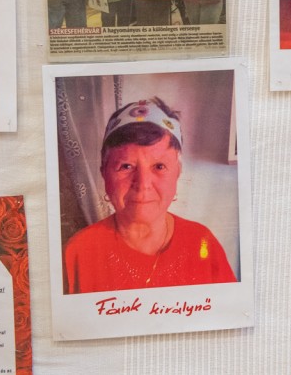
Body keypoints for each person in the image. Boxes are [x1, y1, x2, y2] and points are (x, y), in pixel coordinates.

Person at [63, 97, 236, 293]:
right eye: (126, 166)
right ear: (104, 173)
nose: (143, 184)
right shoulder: (78, 252)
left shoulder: (202, 243)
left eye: (159, 166)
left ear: (177, 173)